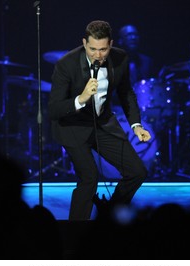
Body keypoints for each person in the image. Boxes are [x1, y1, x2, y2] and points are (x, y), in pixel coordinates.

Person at [48, 20, 152, 220]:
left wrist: (136, 125)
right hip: (73, 127)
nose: (98, 55)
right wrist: (81, 98)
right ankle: (75, 233)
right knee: (89, 179)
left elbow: (126, 93)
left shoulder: (120, 58)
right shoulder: (66, 65)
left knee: (137, 172)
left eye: (103, 49)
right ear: (84, 43)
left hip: (102, 124)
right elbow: (54, 109)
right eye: (93, 49)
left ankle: (109, 216)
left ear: (111, 44)